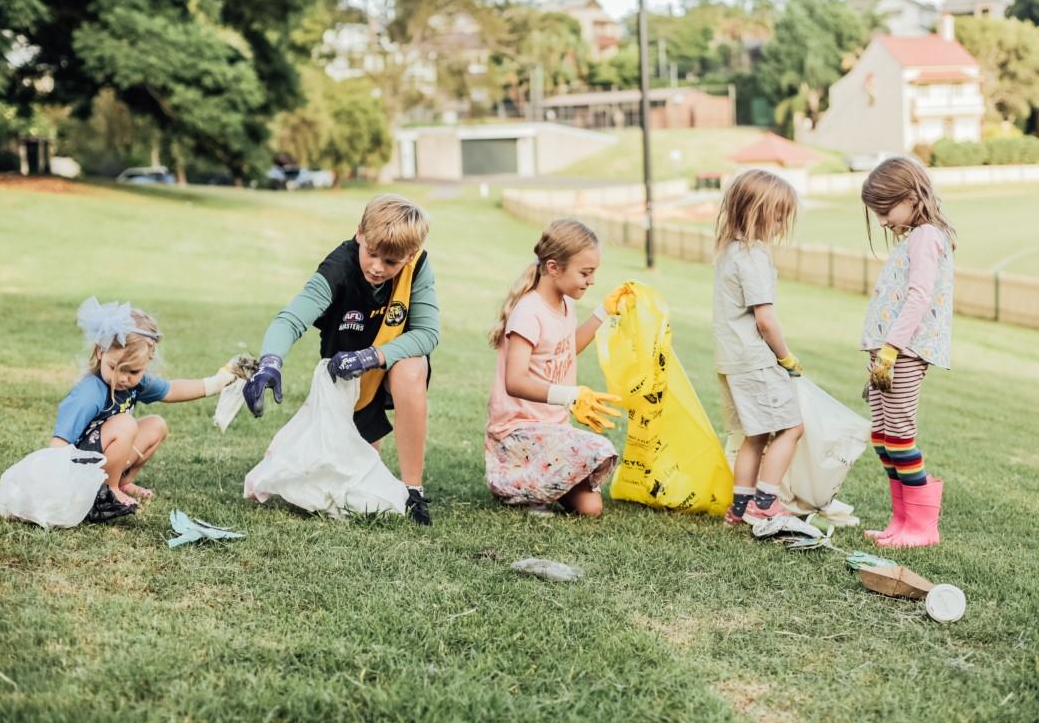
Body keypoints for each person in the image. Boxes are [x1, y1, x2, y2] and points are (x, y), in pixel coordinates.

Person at [244, 194, 440, 525]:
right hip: (345, 382)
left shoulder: (418, 267)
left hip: (385, 365)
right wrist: (270, 362)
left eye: (391, 262)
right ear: (360, 234)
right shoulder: (338, 267)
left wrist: (373, 356)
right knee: (347, 482)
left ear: (409, 256)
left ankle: (413, 491)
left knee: (411, 368)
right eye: (372, 254)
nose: (378, 267)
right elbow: (290, 319)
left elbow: (428, 333)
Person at [484, 219, 629, 517]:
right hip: (518, 433)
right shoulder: (528, 313)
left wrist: (603, 312)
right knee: (599, 447)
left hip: (551, 432)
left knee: (591, 508)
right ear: (553, 268)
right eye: (585, 273)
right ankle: (516, 483)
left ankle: (534, 487)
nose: (591, 281)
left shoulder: (566, 305)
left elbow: (565, 349)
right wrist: (570, 396)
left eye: (594, 273)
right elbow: (515, 380)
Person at [50, 297, 238, 507]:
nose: (122, 378)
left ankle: (122, 482)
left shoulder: (135, 383)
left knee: (156, 424)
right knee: (125, 424)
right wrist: (54, 485)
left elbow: (172, 390)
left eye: (133, 371)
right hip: (80, 469)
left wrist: (217, 383)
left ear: (147, 362)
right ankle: (108, 490)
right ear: (100, 352)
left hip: (104, 458)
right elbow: (60, 441)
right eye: (114, 368)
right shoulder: (89, 393)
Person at [859, 156, 955, 548]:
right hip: (887, 352)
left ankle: (922, 527)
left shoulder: (927, 236)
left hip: (903, 352)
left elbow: (918, 297)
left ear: (912, 196)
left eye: (885, 210)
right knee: (882, 437)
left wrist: (892, 349)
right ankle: (901, 521)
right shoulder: (911, 238)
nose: (882, 220)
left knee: (899, 435)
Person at [712, 169, 805, 526]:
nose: (782, 223)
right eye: (779, 215)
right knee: (791, 427)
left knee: (755, 435)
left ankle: (739, 508)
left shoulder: (729, 252)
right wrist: (786, 356)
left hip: (732, 360)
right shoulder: (753, 256)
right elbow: (765, 320)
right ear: (757, 213)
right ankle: (765, 502)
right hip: (755, 360)